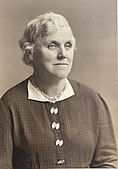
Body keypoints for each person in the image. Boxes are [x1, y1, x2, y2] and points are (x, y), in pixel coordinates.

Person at [0, 12, 117, 169]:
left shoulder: (92, 99)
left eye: (68, 45)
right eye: (53, 45)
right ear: (31, 52)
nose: (63, 54)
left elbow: (108, 161)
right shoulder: (10, 104)